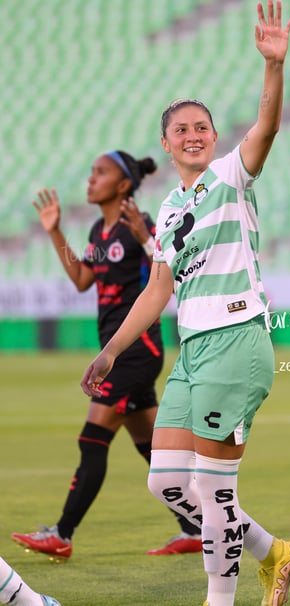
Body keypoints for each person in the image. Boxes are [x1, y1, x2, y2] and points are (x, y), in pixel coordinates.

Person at [80, 0, 290, 606]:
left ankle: (219, 602)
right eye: (182, 130)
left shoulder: (233, 174)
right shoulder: (172, 212)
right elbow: (157, 290)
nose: (194, 135)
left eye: (202, 126)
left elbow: (268, 126)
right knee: (168, 482)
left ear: (212, 136)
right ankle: (273, 552)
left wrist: (273, 67)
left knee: (214, 488)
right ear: (167, 143)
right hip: (193, 351)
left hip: (237, 341)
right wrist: (110, 352)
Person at [11, 150, 201, 561]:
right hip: (121, 352)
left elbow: (166, 270)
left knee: (92, 438)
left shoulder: (141, 224)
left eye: (100, 173)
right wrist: (55, 232)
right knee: (149, 446)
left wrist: (147, 239)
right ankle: (196, 527)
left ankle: (62, 533)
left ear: (122, 185)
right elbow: (83, 277)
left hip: (136, 349)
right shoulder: (100, 229)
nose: (91, 179)